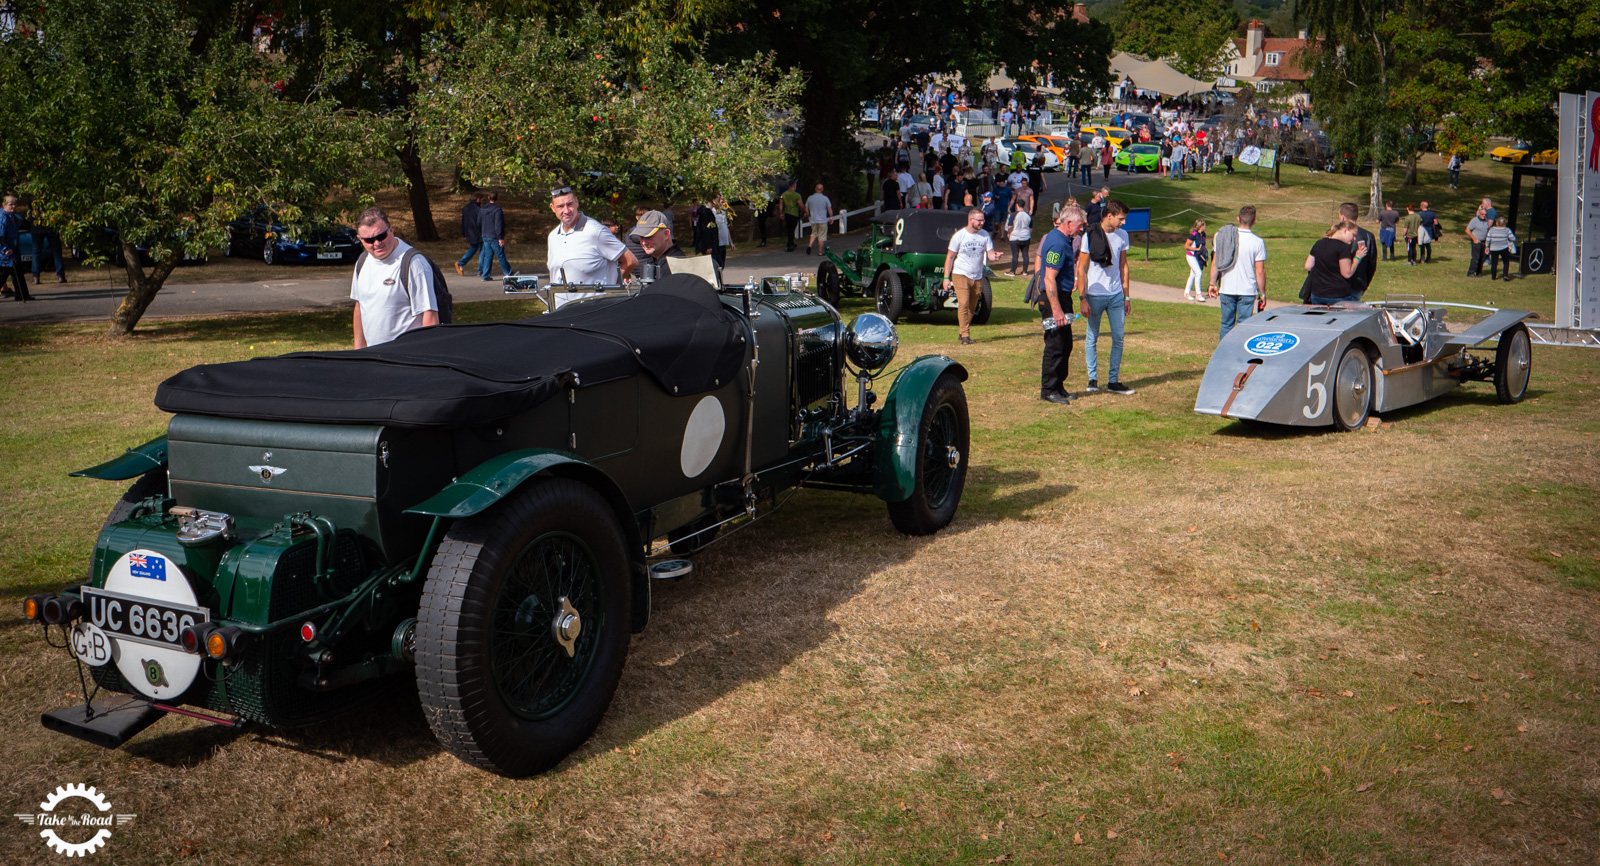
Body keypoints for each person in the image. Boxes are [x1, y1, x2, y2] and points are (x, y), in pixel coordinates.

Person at [350, 208, 438, 348]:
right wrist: (358, 351)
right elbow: (360, 306)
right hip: (374, 357)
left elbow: (430, 315)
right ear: (360, 239)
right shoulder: (362, 261)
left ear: (391, 230)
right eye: (369, 240)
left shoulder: (414, 264)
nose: (377, 243)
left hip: (406, 358)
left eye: (381, 236)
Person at [1075, 199, 1135, 395]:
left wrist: (1126, 296)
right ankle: (1093, 379)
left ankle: (1113, 381)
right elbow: (1082, 268)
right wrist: (1082, 298)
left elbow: (1123, 265)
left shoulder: (1123, 235)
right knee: (1093, 336)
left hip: (1116, 294)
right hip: (1095, 295)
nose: (1123, 223)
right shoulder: (1089, 235)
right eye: (1121, 219)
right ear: (1109, 216)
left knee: (1118, 337)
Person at [1034, 206, 1086, 404]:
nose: (1081, 229)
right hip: (1053, 300)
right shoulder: (1056, 242)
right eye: (1079, 225)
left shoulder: (1065, 239)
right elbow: (1049, 279)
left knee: (1066, 345)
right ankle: (1048, 390)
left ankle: (1058, 386)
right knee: (1055, 345)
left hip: (1063, 297)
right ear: (1069, 223)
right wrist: (1056, 310)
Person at [546, 185, 635, 284]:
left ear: (577, 202)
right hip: (560, 300)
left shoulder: (596, 231)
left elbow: (630, 261)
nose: (566, 211)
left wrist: (612, 287)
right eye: (560, 206)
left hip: (595, 300)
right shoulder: (553, 237)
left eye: (570, 204)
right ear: (552, 208)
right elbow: (554, 274)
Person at [941, 208, 1003, 345]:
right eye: (979, 220)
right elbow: (950, 257)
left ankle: (962, 330)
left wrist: (995, 256)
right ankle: (965, 336)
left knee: (972, 306)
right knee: (963, 303)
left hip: (977, 276)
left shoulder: (985, 235)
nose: (981, 223)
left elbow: (990, 253)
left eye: (983, 220)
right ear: (971, 220)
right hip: (960, 273)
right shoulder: (959, 236)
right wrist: (946, 278)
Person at [1208, 205, 1267, 340]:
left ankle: (1224, 353)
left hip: (1227, 287)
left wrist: (1212, 283)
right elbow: (1260, 271)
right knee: (1244, 327)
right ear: (1254, 221)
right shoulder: (1258, 242)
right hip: (1247, 290)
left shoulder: (1223, 237)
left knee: (1226, 325)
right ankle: (1238, 355)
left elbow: (1215, 262)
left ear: (1237, 219)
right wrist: (1262, 293)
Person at [1303, 219, 1367, 306]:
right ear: (1345, 230)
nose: (1354, 239)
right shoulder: (1343, 247)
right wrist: (1357, 258)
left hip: (1318, 293)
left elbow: (1308, 266)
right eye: (1353, 235)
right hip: (1338, 295)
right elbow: (1347, 273)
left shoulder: (1319, 243)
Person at [629, 210, 687, 281]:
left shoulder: (676, 266)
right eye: (641, 237)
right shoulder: (655, 260)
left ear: (666, 234)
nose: (644, 242)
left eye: (649, 236)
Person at [1340, 203, 1377, 297]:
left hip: (1338, 283)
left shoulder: (1335, 234)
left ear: (1342, 217)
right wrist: (1364, 284)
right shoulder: (1368, 236)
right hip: (1358, 283)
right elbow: (1371, 264)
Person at [477, 191, 514, 280]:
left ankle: (485, 275)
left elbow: (478, 222)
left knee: (487, 256)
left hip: (485, 234)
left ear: (488, 198)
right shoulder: (497, 209)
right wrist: (500, 237)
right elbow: (498, 224)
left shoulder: (482, 209)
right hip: (494, 236)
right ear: (497, 198)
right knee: (500, 255)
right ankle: (508, 273)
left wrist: (482, 231)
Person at [0, 196, 31, 302]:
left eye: (15, 204)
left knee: (18, 273)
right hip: (5, 252)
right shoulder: (2, 217)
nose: (13, 206)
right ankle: (22, 295)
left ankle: (22, 295)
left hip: (13, 250)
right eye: (11, 204)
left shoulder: (11, 216)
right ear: (4, 205)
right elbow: (1, 235)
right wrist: (5, 248)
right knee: (3, 274)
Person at [454, 193, 482, 276]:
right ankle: (480, 270)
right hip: (478, 233)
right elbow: (480, 222)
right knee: (482, 251)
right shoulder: (478, 209)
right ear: (477, 199)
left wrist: (464, 233)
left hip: (469, 232)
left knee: (473, 249)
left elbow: (463, 221)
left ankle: (460, 262)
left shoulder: (465, 208)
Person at [1486, 216, 1518, 282]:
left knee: (1494, 262)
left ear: (1497, 223)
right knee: (1506, 262)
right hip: (1504, 248)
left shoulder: (1492, 229)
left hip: (1494, 248)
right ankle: (1505, 275)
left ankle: (1493, 277)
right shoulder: (1507, 230)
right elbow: (1513, 238)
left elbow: (1488, 239)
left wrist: (1487, 246)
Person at [1183, 218, 1207, 302]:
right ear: (1201, 225)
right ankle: (1198, 294)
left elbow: (1203, 245)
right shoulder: (1193, 235)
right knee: (1198, 273)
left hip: (1198, 256)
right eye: (1204, 225)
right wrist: (1196, 249)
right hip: (1191, 256)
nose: (1205, 226)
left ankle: (1186, 292)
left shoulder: (1203, 234)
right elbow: (1186, 246)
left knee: (1193, 274)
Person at [1005, 203, 1032, 277]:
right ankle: (1025, 271)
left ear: (1017, 205)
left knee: (1015, 255)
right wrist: (1028, 235)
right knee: (1025, 255)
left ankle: (1013, 271)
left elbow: (1009, 226)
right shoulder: (1028, 215)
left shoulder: (1013, 215)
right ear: (1024, 206)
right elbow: (1030, 228)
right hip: (1026, 237)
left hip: (1015, 237)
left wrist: (1008, 233)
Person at [1465, 205, 1490, 277]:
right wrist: (1474, 239)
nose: (1484, 216)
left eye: (1485, 214)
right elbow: (1467, 230)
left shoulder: (1486, 221)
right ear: (1479, 214)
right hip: (1476, 241)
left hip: (1484, 241)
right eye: (1482, 214)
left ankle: (1479, 272)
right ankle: (1471, 272)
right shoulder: (1474, 220)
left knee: (1482, 258)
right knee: (1476, 258)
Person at [710, 193, 734, 269]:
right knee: (717, 265)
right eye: (721, 201)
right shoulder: (712, 213)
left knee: (722, 264)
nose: (724, 203)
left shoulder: (723, 213)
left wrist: (731, 242)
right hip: (717, 243)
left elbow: (726, 227)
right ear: (714, 201)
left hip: (723, 242)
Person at [781, 181, 803, 251]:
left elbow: (781, 205)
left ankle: (792, 243)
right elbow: (800, 204)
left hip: (787, 213)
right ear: (794, 186)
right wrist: (804, 210)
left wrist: (781, 213)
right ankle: (789, 245)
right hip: (794, 213)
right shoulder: (797, 195)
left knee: (789, 229)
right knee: (792, 229)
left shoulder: (783, 194)